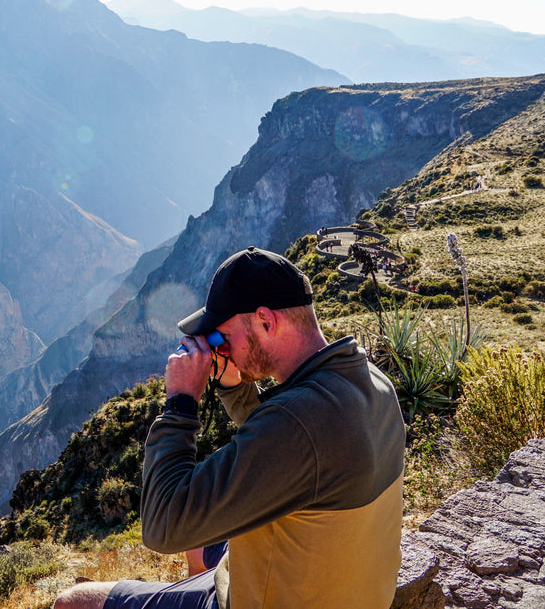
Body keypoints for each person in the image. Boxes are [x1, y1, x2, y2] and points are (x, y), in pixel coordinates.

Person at [55, 246, 405, 609]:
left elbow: (163, 524)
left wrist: (180, 403)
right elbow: (294, 453)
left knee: (74, 602)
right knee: (199, 542)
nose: (222, 350)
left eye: (223, 338)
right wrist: (234, 388)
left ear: (266, 321)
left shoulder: (295, 427)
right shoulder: (370, 383)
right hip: (333, 583)